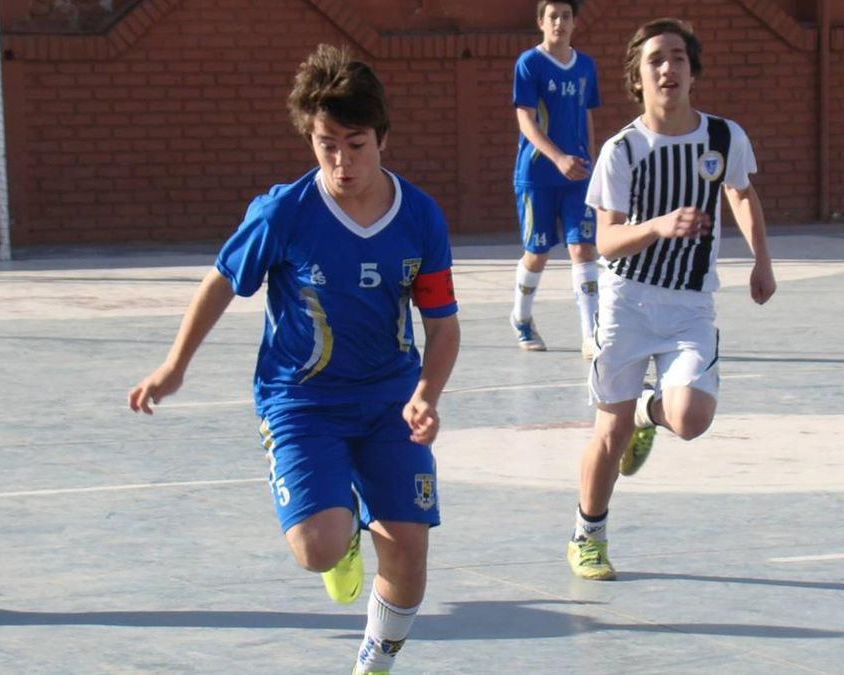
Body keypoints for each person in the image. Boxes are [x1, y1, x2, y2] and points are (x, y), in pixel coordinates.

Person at [127, 44, 460, 674]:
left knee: (410, 555)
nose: (341, 161)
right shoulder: (285, 212)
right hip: (301, 401)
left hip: (390, 401)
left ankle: (374, 662)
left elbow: (443, 325)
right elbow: (222, 281)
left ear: (382, 136)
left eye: (355, 144)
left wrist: (427, 395)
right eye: (326, 144)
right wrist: (175, 366)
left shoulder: (420, 217)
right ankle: (344, 528)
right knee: (317, 547)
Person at [566, 18, 777, 581]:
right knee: (607, 436)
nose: (668, 67)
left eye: (679, 57)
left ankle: (649, 410)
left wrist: (762, 260)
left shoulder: (724, 137)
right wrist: (659, 225)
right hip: (627, 302)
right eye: (656, 58)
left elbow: (741, 191)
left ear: (692, 71)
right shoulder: (622, 150)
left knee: (690, 418)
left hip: (689, 305)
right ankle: (588, 534)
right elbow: (605, 240)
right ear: (638, 76)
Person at [510, 0, 602, 357]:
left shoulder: (586, 66)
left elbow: (587, 116)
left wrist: (591, 164)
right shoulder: (529, 64)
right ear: (540, 22)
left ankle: (590, 334)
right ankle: (521, 317)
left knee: (582, 248)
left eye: (566, 16)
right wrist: (558, 158)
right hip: (537, 175)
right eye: (553, 17)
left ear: (575, 22)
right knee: (538, 252)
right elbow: (526, 121)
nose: (559, 23)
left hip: (578, 176)